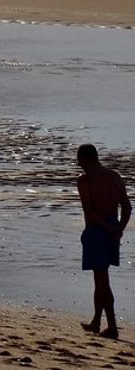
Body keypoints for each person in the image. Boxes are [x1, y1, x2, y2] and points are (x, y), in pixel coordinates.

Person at [77, 143, 131, 339]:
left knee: (101, 281)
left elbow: (89, 210)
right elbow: (127, 206)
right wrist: (119, 229)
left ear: (83, 160)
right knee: (100, 279)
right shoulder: (114, 176)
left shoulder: (85, 180)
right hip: (112, 229)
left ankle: (113, 326)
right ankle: (96, 321)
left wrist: (108, 229)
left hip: (96, 231)